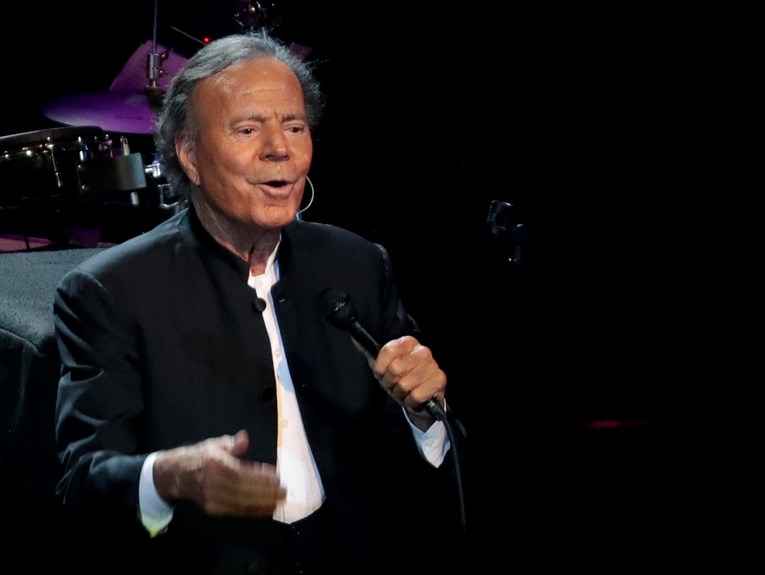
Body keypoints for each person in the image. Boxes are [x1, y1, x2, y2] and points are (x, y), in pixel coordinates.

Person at [52, 32, 468, 574]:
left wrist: (422, 415)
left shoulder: (357, 264)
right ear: (190, 156)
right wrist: (168, 477)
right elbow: (81, 481)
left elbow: (413, 465)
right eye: (248, 129)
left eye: (294, 126)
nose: (280, 148)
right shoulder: (111, 290)